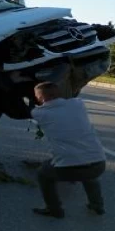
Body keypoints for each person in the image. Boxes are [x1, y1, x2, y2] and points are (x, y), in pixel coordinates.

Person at [29, 81, 106, 219]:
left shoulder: (39, 113)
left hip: (68, 168)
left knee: (43, 174)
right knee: (89, 170)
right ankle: (97, 205)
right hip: (99, 164)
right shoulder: (78, 104)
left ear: (40, 98)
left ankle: (54, 210)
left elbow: (32, 116)